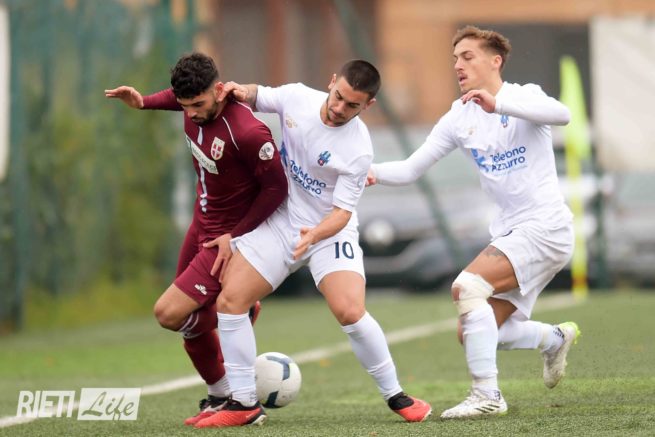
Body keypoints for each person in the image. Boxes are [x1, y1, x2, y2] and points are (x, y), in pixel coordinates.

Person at [191, 60, 432, 428]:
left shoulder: (358, 148)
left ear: (368, 105)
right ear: (332, 81)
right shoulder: (298, 97)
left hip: (327, 232)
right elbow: (258, 95)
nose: (339, 108)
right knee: (230, 302)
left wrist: (314, 236)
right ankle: (243, 404)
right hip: (282, 222)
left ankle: (396, 395)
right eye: (339, 96)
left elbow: (342, 213)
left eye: (352, 105)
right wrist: (240, 90)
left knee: (350, 311)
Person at [367, 25, 581, 419]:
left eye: (468, 57)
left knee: (467, 287)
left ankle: (487, 396)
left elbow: (562, 115)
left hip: (545, 227)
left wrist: (498, 105)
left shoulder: (522, 96)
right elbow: (412, 168)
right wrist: (369, 171)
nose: (458, 65)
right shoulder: (458, 116)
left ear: (495, 61)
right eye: (455, 58)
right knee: (474, 333)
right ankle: (553, 339)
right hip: (513, 234)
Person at [104, 53, 288, 425]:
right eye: (185, 105)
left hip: (225, 239)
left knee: (169, 314)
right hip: (200, 226)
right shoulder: (194, 105)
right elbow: (178, 99)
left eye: (198, 105)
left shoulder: (248, 132)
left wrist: (235, 235)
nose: (190, 113)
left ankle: (238, 319)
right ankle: (220, 394)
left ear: (219, 91)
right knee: (189, 325)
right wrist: (143, 102)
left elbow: (276, 189)